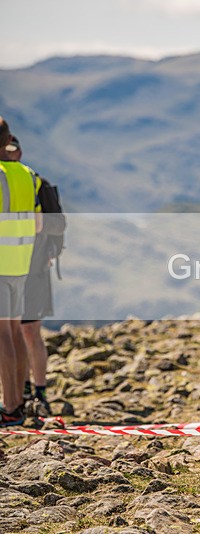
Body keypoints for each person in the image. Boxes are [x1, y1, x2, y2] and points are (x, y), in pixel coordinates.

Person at [6, 136, 66, 419]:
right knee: (20, 331)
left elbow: (51, 224)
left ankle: (34, 394)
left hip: (32, 266)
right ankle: (25, 391)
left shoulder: (31, 180)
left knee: (25, 330)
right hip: (23, 264)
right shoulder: (26, 178)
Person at [0, 117, 42, 427]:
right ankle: (17, 404)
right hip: (21, 262)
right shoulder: (28, 175)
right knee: (14, 333)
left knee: (3, 336)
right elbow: (38, 224)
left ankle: (11, 406)